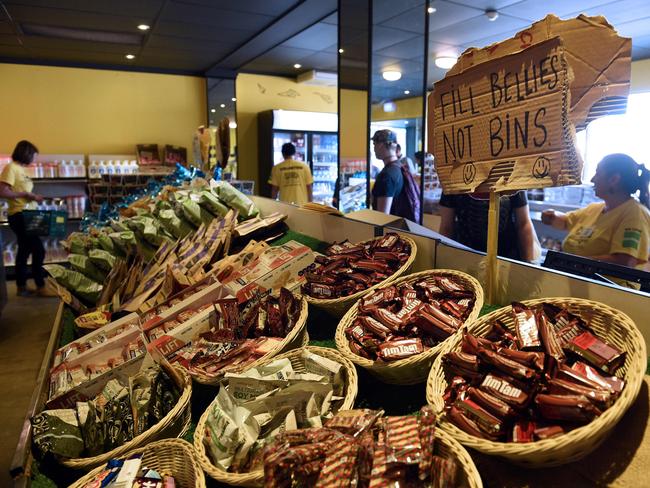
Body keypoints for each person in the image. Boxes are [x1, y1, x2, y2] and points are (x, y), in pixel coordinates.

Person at [542, 153, 650, 268]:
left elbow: (625, 262)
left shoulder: (635, 214)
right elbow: (565, 222)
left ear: (614, 179)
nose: (592, 179)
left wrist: (570, 262)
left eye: (598, 174)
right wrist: (551, 216)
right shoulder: (594, 209)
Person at [0, 140, 55, 297]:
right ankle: (40, 285)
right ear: (26, 153)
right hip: (19, 215)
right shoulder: (11, 168)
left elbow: (20, 192)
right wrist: (24, 195)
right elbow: (2, 191)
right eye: (34, 156)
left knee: (24, 251)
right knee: (39, 250)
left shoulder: (21, 170)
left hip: (28, 214)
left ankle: (21, 286)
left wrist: (34, 197)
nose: (34, 160)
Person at [438, 191, 540, 262]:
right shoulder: (453, 178)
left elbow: (523, 224)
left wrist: (529, 263)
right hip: (465, 256)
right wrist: (442, 260)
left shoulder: (511, 173)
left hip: (507, 257)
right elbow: (447, 228)